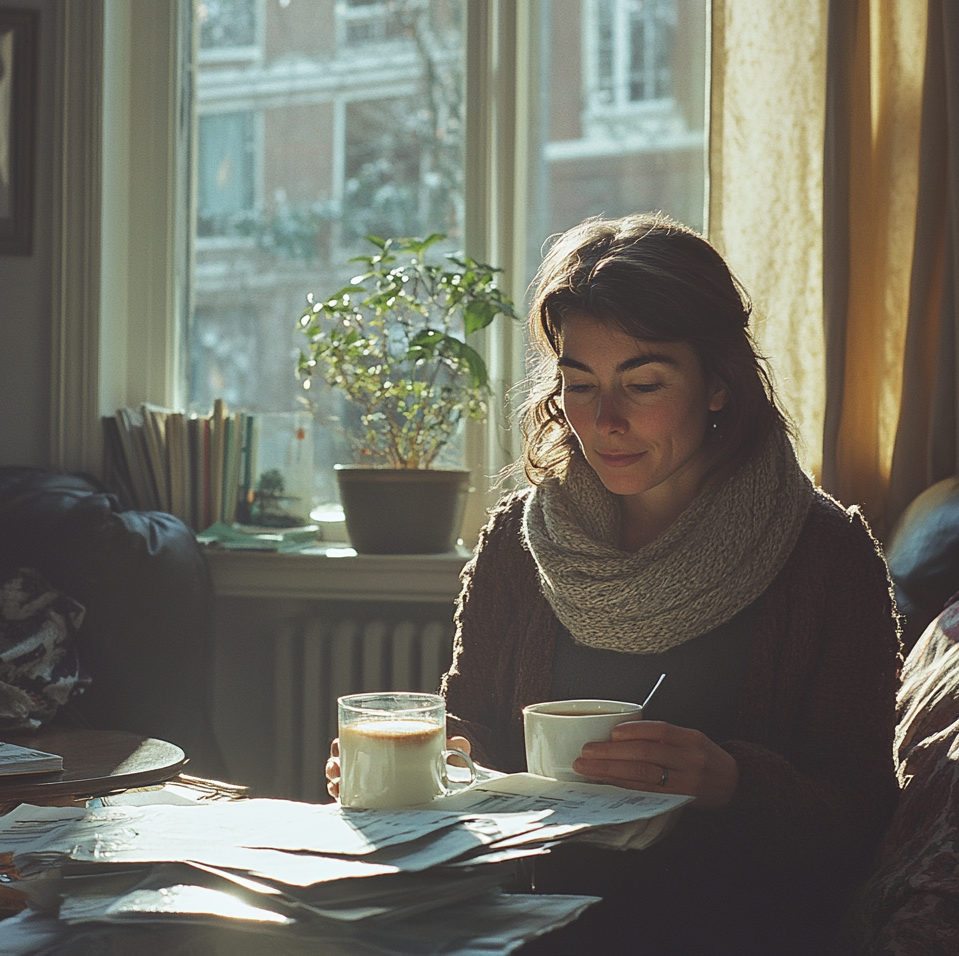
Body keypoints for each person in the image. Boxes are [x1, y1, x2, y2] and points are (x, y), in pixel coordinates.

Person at [328, 214, 900, 955]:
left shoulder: (825, 554)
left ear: (718, 384)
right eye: (578, 384)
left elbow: (862, 816)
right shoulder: (519, 540)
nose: (603, 421)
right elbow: (472, 740)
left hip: (722, 932)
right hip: (519, 922)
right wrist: (415, 771)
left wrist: (732, 781)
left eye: (644, 382)